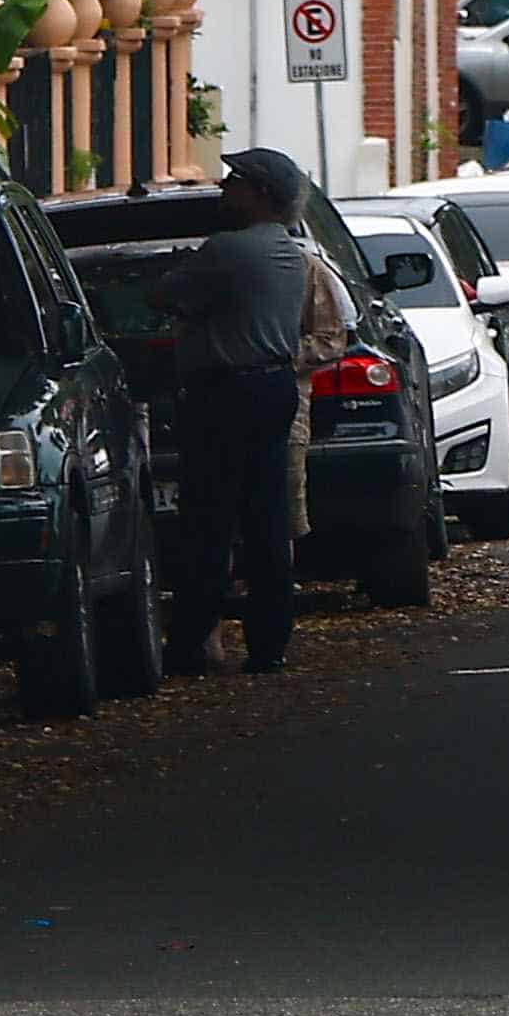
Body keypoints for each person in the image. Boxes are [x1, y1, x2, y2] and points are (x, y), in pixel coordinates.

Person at [168, 151, 353, 671]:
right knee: (267, 520)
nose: (225, 188)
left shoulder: (226, 252)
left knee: (210, 520)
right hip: (274, 393)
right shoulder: (293, 258)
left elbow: (166, 295)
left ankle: (190, 644)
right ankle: (268, 643)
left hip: (223, 394)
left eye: (236, 182)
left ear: (262, 194)